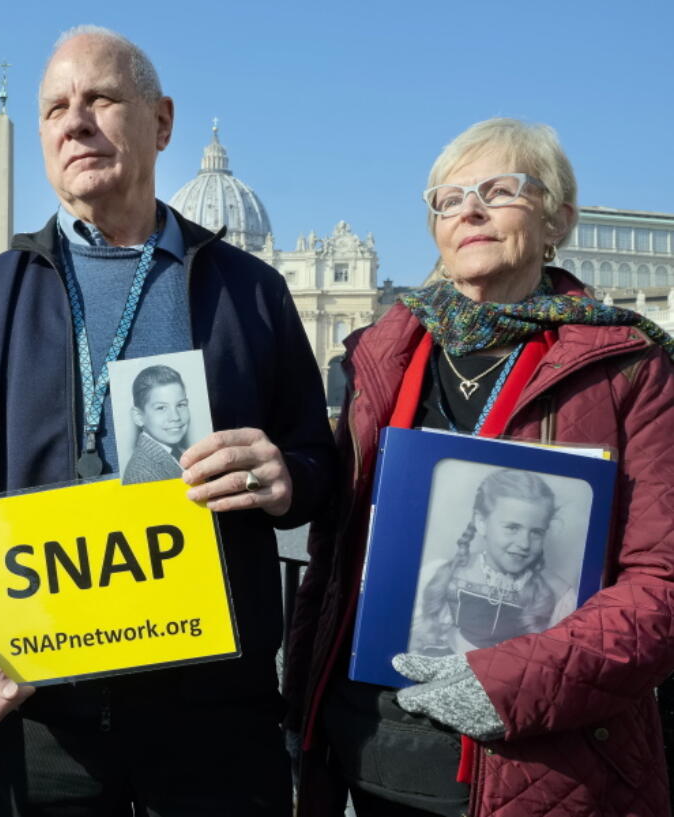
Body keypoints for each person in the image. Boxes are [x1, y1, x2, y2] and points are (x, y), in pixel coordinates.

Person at [0, 26, 335, 815]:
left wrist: (285, 477)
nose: (74, 121)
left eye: (100, 97)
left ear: (162, 121)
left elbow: (316, 464)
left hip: (216, 720)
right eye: (55, 108)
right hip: (42, 715)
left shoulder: (253, 293)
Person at [284, 118, 674, 817]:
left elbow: (662, 587)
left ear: (560, 216)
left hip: (539, 764)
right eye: (449, 196)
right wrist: (300, 702)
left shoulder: (631, 366)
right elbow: (334, 554)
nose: (469, 208)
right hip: (368, 750)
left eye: (500, 189)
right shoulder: (380, 354)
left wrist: (506, 683)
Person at [409, 469, 561, 657]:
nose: (524, 544)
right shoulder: (442, 575)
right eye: (512, 527)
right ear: (481, 522)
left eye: (536, 532)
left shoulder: (556, 598)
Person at [120, 364, 189, 484]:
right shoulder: (142, 475)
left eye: (181, 405)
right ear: (139, 417)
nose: (176, 417)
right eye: (161, 408)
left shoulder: (180, 452)